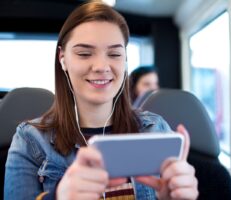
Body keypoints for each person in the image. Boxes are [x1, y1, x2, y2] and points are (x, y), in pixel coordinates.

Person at [4, 1, 198, 200]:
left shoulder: (155, 129)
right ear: (63, 59)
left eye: (114, 54)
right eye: (84, 54)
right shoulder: (30, 140)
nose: (101, 66)